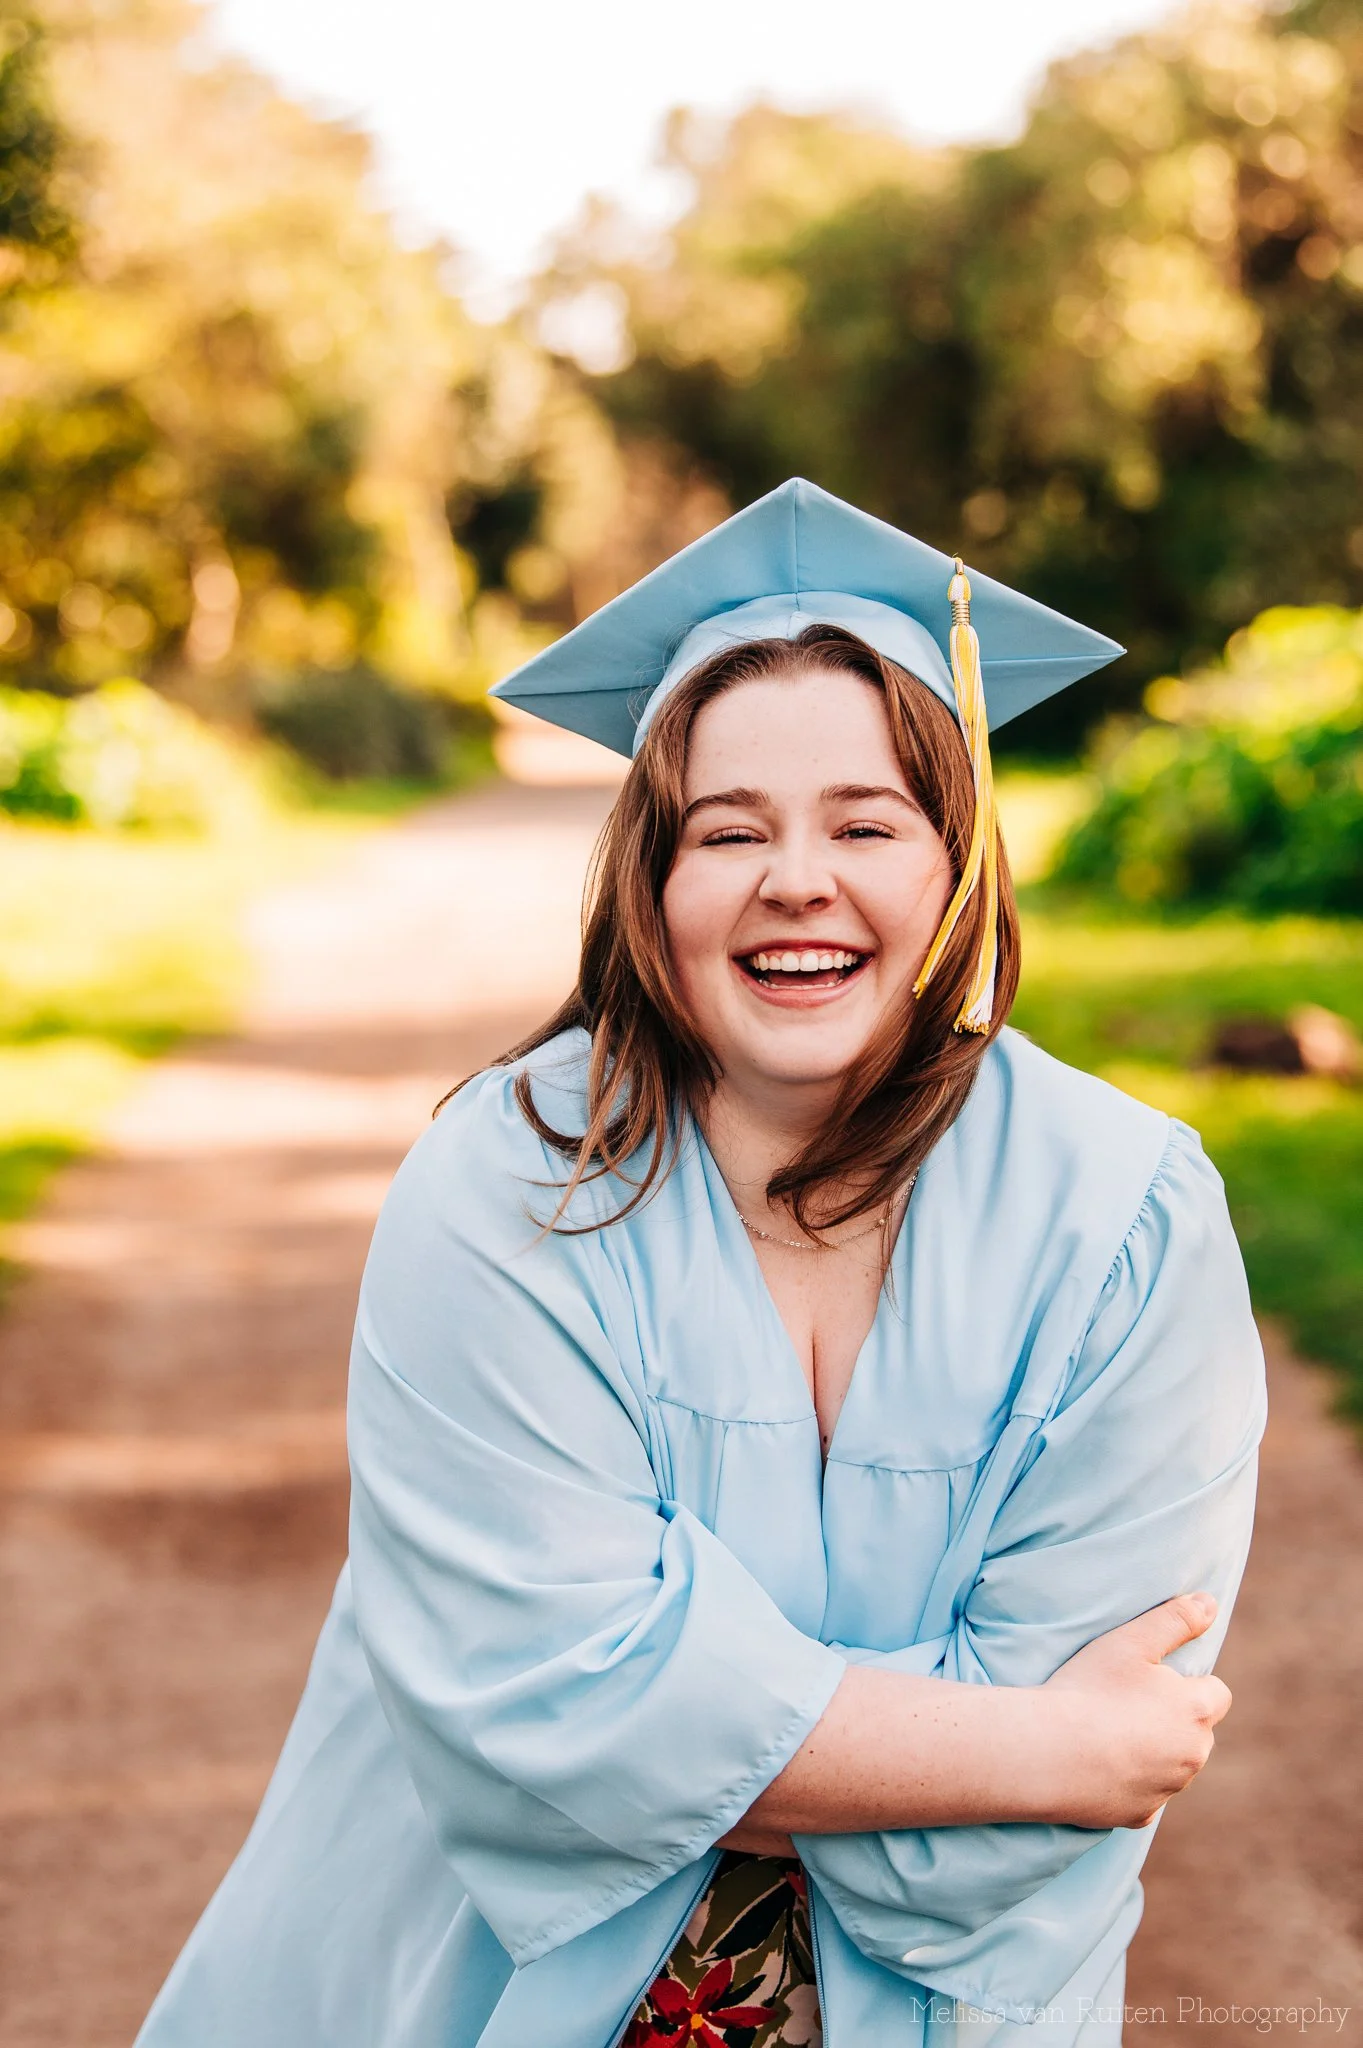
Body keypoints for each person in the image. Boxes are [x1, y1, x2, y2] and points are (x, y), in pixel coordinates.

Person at [135, 480, 1265, 2048]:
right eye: (726, 831)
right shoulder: (509, 1187)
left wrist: (694, 1747)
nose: (795, 879)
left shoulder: (1125, 1215)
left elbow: (1055, 1781)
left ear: (958, 859)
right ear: (648, 889)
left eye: (866, 824)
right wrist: (1037, 1753)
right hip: (462, 1986)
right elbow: (546, 1701)